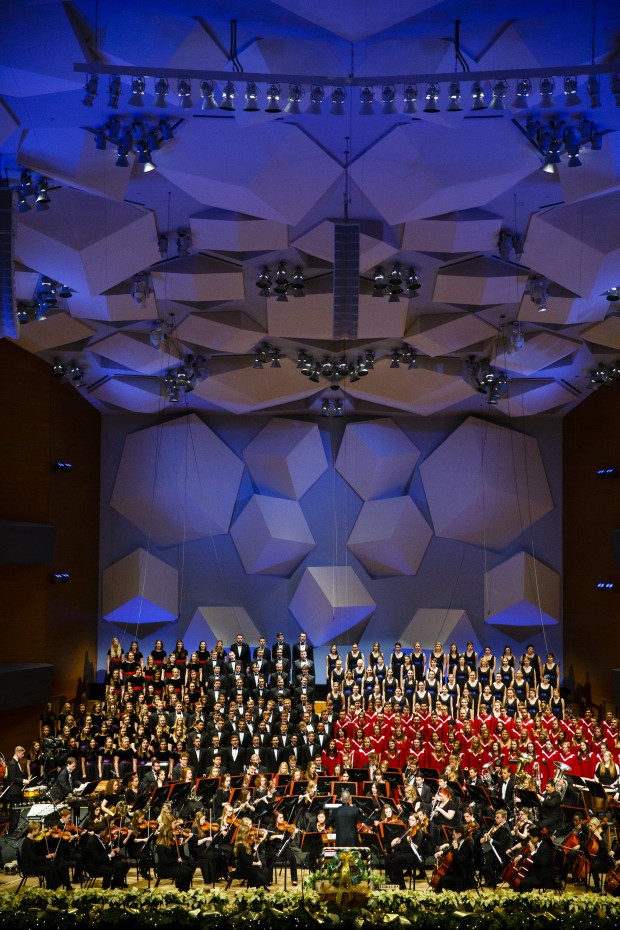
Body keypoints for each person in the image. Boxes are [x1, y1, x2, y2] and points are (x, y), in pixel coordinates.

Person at [20, 821, 71, 890]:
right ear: (33, 830)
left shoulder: (33, 840)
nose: (40, 831)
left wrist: (48, 855)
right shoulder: (26, 843)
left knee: (53, 865)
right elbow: (32, 857)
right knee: (49, 869)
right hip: (29, 867)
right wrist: (46, 857)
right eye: (39, 829)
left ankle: (55, 887)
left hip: (35, 863)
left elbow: (38, 853)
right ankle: (51, 889)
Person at [84, 822, 130, 889]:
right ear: (101, 831)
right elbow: (97, 859)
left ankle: (114, 885)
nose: (106, 831)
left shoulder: (99, 838)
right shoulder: (92, 841)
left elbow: (103, 852)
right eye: (105, 830)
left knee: (122, 865)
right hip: (94, 866)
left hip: (102, 861)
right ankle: (105, 889)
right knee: (109, 870)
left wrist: (111, 846)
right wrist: (110, 856)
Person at [433, 824, 476, 891]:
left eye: (454, 834)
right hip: (457, 871)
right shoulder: (459, 841)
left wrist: (456, 848)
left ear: (459, 835)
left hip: (464, 875)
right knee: (442, 876)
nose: (452, 836)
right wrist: (441, 853)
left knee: (443, 879)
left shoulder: (468, 843)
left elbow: (460, 860)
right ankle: (437, 891)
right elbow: (450, 850)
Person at [155, 826, 195, 890]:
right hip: (164, 869)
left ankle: (184, 890)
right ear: (166, 835)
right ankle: (182, 891)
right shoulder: (160, 846)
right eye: (171, 834)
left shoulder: (168, 844)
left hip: (170, 866)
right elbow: (165, 861)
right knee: (185, 872)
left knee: (189, 870)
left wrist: (180, 845)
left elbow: (176, 853)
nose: (172, 836)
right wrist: (177, 860)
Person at [233, 818, 270, 887]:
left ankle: (255, 889)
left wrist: (258, 843)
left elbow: (250, 853)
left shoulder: (245, 842)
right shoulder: (240, 845)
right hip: (243, 869)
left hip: (248, 866)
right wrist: (256, 863)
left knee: (265, 872)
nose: (251, 826)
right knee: (262, 878)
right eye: (250, 824)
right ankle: (253, 891)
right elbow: (246, 861)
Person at [6, 746, 31, 832]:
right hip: (14, 791)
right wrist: (23, 780)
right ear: (17, 753)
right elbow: (12, 778)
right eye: (22, 753)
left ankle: (15, 827)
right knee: (14, 811)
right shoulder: (12, 764)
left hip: (17, 791)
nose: (23, 755)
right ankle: (12, 829)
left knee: (17, 811)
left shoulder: (16, 763)